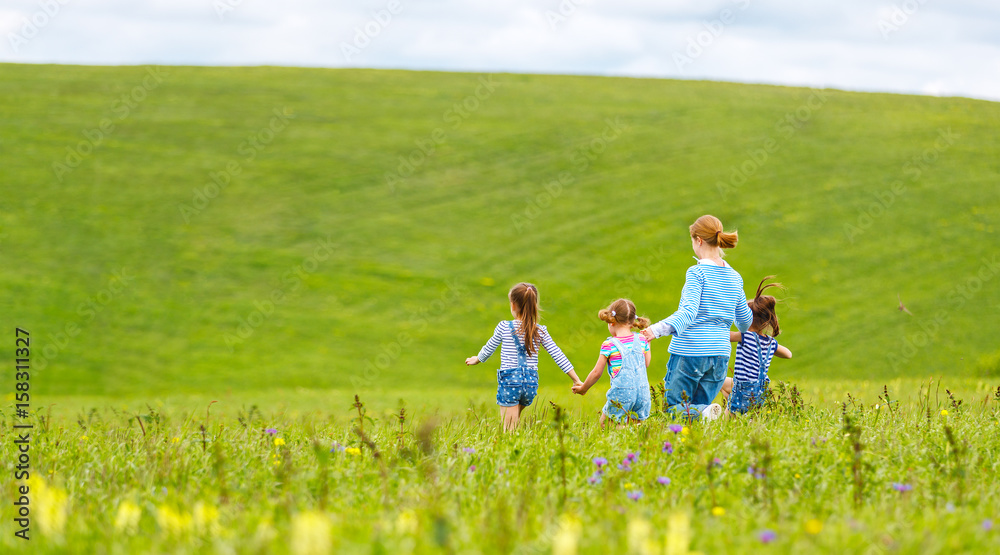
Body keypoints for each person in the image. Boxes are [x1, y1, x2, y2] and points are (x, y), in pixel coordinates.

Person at [642, 215, 753, 421]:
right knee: (702, 410)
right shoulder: (735, 277)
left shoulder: (697, 273)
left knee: (675, 410)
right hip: (720, 356)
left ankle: (710, 416)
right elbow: (745, 320)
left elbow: (688, 312)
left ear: (698, 240)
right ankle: (708, 423)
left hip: (690, 353)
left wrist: (655, 331)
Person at [466, 282, 583, 430]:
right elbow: (558, 354)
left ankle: (512, 449)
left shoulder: (504, 327)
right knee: (514, 422)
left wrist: (477, 359)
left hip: (510, 381)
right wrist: (576, 379)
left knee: (509, 430)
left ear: (513, 305)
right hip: (530, 384)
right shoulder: (540, 331)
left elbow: (489, 347)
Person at [573, 299, 652, 426]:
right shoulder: (642, 339)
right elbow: (646, 364)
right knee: (637, 427)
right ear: (633, 322)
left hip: (621, 395)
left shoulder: (609, 345)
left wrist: (583, 388)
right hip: (643, 395)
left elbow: (596, 373)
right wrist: (648, 343)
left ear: (611, 322)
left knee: (606, 425)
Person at [721, 276, 793, 413]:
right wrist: (774, 348)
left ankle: (724, 406)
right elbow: (788, 354)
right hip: (759, 392)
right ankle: (730, 398)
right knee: (750, 418)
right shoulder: (771, 343)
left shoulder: (745, 336)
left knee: (714, 380)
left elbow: (723, 336)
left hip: (742, 389)